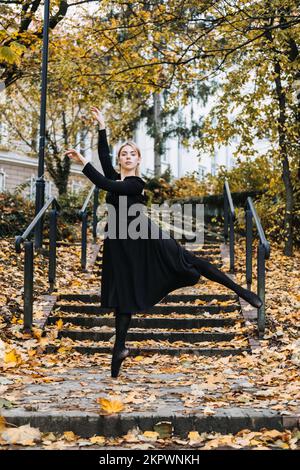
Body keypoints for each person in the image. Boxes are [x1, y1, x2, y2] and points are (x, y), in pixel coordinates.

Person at [64, 106, 262, 378]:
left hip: (144, 235)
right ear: (121, 160)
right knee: (123, 296)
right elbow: (104, 160)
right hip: (119, 244)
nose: (128, 156)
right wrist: (102, 126)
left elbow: (103, 183)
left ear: (138, 159)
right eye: (124, 154)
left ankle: (243, 292)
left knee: (189, 260)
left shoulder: (135, 183)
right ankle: (119, 348)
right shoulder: (115, 175)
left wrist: (82, 162)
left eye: (132, 153)